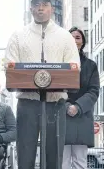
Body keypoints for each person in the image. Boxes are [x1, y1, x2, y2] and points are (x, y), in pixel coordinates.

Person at [4, 0, 81, 169]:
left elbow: (74, 66)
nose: (40, 8)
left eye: (45, 5)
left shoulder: (64, 36)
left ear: (52, 9)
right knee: (25, 151)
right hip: (27, 102)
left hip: (56, 103)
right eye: (36, 5)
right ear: (30, 9)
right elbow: (10, 65)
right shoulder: (17, 35)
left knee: (54, 155)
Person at [62, 27, 100, 169]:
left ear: (82, 42)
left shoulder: (91, 66)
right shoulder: (58, 64)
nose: (74, 40)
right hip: (62, 116)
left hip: (82, 117)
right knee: (62, 163)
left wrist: (77, 107)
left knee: (80, 162)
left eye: (78, 37)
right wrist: (66, 106)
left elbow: (94, 91)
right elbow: (53, 90)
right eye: (71, 37)